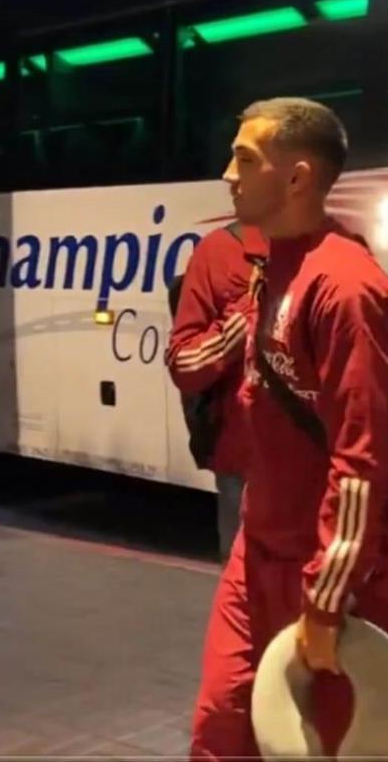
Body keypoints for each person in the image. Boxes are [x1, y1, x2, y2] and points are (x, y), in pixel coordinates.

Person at [188, 97, 388, 760]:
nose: (228, 173)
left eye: (245, 158)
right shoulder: (274, 267)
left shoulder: (345, 287)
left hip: (328, 575)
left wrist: (326, 597)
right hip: (257, 551)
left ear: (296, 177)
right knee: (222, 729)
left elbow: (360, 457)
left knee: (329, 744)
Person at [165, 222, 266, 562]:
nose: (232, 177)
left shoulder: (334, 247)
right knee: (242, 588)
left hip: (311, 470)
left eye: (249, 164)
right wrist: (247, 317)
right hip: (243, 459)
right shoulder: (219, 251)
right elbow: (183, 363)